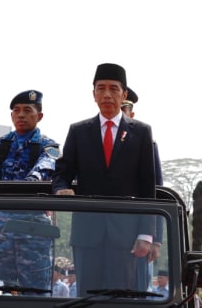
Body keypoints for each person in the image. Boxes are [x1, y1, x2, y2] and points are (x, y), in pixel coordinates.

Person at [52, 63, 156, 295]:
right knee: (87, 297)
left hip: (126, 235)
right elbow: (62, 173)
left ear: (124, 94)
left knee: (120, 298)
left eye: (113, 88)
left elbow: (147, 185)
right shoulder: (79, 131)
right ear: (93, 94)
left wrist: (146, 234)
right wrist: (61, 189)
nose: (107, 94)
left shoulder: (141, 132)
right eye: (101, 88)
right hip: (87, 234)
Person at [0, 90, 60, 292]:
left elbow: (46, 167)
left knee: (35, 292)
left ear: (39, 116)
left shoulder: (48, 146)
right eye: (16, 111)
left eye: (27, 110)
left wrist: (30, 182)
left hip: (33, 228)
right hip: (2, 227)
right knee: (0, 287)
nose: (20, 115)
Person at [121, 87, 165, 292]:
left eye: (124, 108)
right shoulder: (90, 138)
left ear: (132, 114)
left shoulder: (146, 142)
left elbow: (155, 192)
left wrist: (156, 239)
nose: (120, 113)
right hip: (100, 229)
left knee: (136, 290)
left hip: (137, 232)